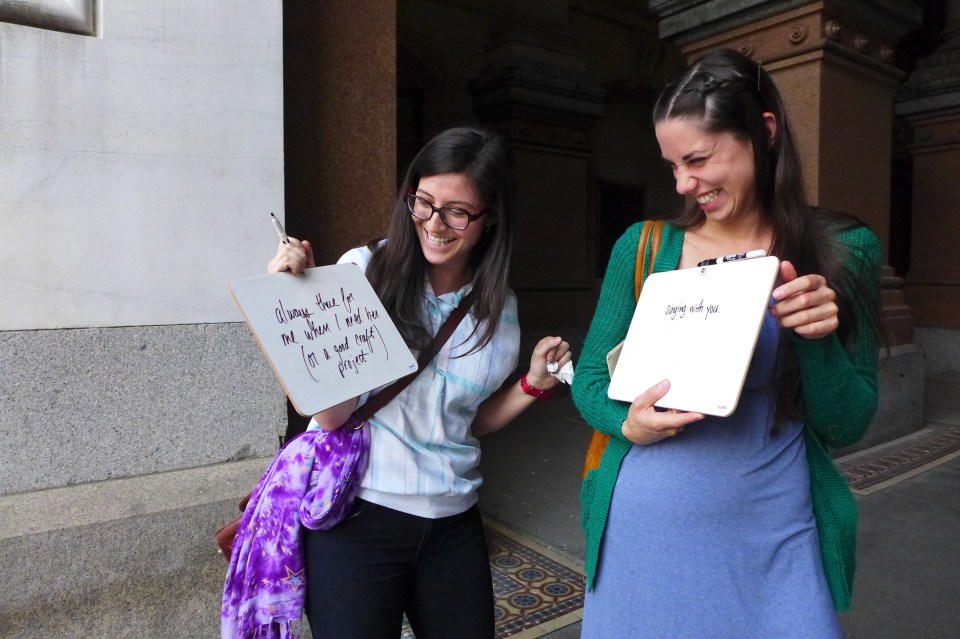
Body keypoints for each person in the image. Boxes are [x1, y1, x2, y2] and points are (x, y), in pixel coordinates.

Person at [571, 48, 882, 638]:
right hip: (643, 538)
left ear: (763, 132)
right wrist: (627, 422)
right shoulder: (644, 247)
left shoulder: (844, 248)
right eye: (671, 166)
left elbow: (847, 425)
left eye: (698, 159)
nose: (686, 184)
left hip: (775, 537)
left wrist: (814, 337)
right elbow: (589, 381)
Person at [264, 127, 571, 639]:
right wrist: (298, 307)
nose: (434, 223)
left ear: (489, 216)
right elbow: (332, 415)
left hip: (454, 523)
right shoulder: (363, 272)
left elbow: (469, 420)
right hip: (359, 515)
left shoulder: (500, 308)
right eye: (423, 202)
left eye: (457, 211)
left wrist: (533, 384)